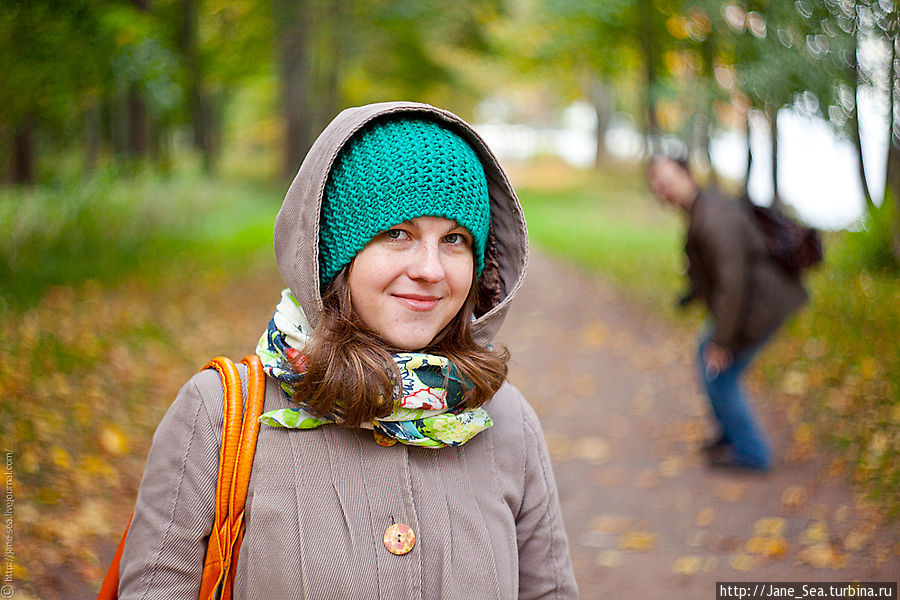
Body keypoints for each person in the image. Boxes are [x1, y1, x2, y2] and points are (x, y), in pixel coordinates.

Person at [117, 101, 578, 599]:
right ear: (334, 252)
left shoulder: (507, 423)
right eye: (397, 234)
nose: (430, 269)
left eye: (455, 239)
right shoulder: (217, 416)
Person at [647, 155, 808, 471]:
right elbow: (716, 271)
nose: (660, 186)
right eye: (655, 180)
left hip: (762, 305)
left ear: (687, 175)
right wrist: (691, 295)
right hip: (751, 302)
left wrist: (723, 341)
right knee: (705, 355)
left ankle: (752, 453)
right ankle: (731, 434)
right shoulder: (700, 209)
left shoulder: (713, 219)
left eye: (666, 178)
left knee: (720, 373)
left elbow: (733, 283)